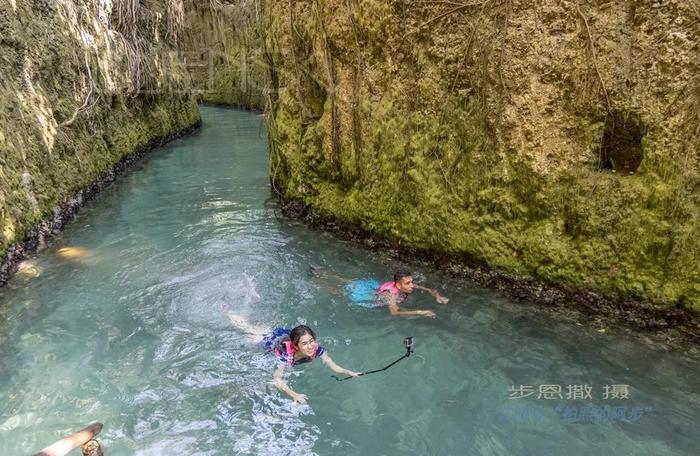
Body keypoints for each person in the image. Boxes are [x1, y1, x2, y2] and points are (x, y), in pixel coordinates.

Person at [223, 305, 359, 404]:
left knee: (259, 328)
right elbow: (276, 379)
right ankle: (228, 312)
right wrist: (294, 394)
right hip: (271, 342)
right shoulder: (285, 356)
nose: (310, 346)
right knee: (251, 332)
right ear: (296, 346)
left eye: (311, 341)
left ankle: (241, 317)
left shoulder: (316, 350)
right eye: (305, 344)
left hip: (284, 336)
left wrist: (349, 372)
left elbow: (333, 366)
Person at [311, 268, 449, 317]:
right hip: (365, 294)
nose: (412, 285)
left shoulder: (404, 285)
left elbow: (428, 289)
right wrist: (420, 312)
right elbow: (395, 312)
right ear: (399, 284)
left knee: (346, 280)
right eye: (408, 283)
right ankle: (318, 281)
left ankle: (323, 272)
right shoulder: (391, 294)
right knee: (340, 293)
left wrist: (438, 296)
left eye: (411, 282)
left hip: (373, 286)